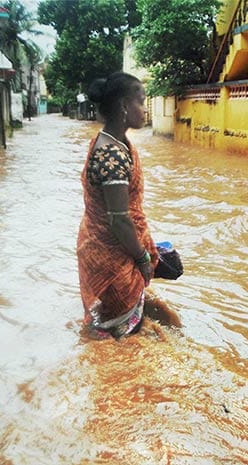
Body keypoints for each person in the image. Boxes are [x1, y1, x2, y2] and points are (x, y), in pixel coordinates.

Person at [77, 72, 158, 340]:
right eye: (141, 101)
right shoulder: (112, 155)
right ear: (124, 106)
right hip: (111, 254)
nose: (145, 109)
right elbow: (119, 220)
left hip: (108, 247)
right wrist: (142, 257)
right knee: (122, 340)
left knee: (114, 327)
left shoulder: (113, 143)